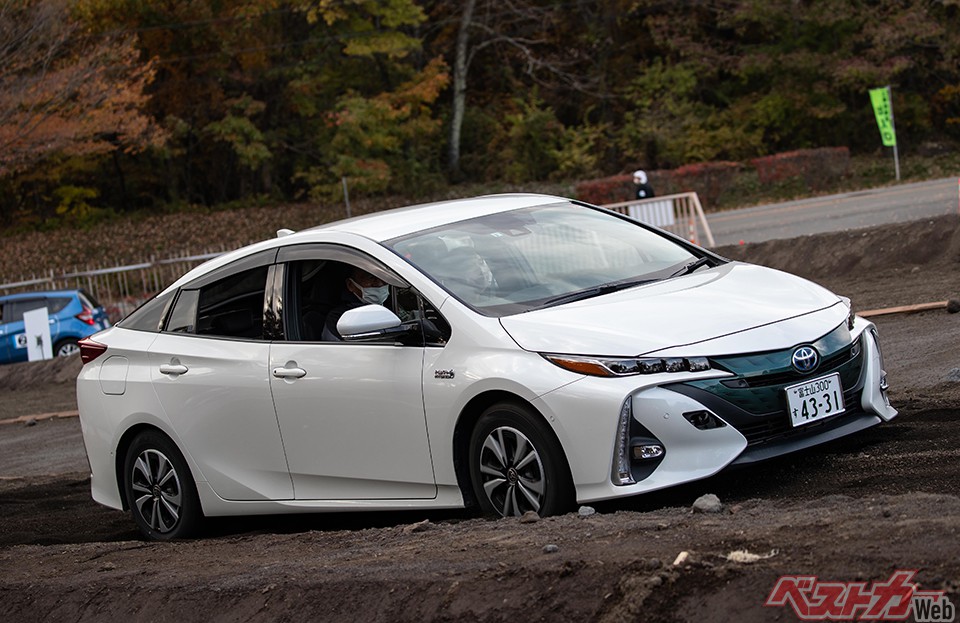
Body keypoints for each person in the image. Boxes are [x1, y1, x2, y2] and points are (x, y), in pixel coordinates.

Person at [321, 266, 389, 341]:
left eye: (382, 277)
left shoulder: (392, 302)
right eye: (371, 277)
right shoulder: (338, 318)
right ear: (350, 285)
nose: (379, 284)